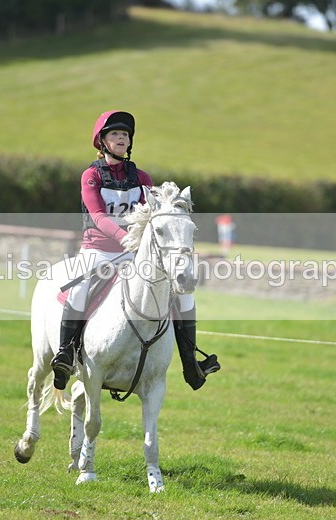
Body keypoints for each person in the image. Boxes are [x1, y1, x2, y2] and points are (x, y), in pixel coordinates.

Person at [51, 110, 221, 391]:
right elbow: (98, 216)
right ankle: (66, 353)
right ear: (102, 141)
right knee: (80, 289)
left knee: (183, 298)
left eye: (125, 135)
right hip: (98, 250)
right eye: (115, 134)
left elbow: (153, 217)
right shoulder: (91, 176)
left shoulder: (141, 177)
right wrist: (125, 237)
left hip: (134, 253)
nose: (122, 138)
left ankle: (191, 363)